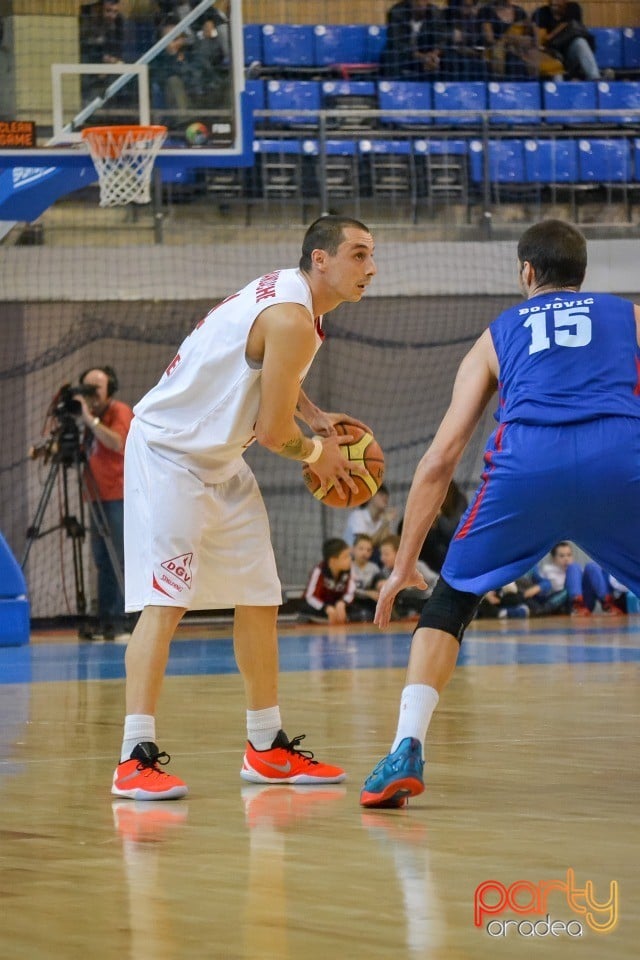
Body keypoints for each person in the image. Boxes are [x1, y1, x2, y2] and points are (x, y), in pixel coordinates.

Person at [361, 218, 640, 808]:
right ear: (583, 276)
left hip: (525, 467)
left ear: (527, 273)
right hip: (618, 458)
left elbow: (440, 458)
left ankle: (405, 748)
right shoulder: (629, 315)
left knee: (451, 600)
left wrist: (403, 564)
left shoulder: (496, 335)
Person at [112, 215, 377, 801]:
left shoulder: (290, 299)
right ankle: (133, 757)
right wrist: (318, 454)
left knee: (260, 596)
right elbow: (271, 428)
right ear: (321, 260)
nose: (371, 268)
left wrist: (312, 413)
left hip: (221, 459)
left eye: (371, 256)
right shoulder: (292, 319)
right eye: (358, 255)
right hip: (169, 454)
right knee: (166, 602)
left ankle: (266, 747)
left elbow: (268, 369)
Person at [75, 366, 134, 642]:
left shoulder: (118, 411)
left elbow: (118, 442)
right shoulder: (89, 420)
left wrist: (89, 420)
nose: (91, 396)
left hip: (117, 496)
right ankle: (106, 620)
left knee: (117, 559)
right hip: (96, 498)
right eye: (86, 389)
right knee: (102, 561)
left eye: (95, 389)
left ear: (109, 389)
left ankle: (121, 620)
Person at [532, 1, 600, 81]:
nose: (554, 2)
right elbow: (541, 41)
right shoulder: (541, 12)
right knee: (554, 65)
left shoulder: (573, 8)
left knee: (580, 42)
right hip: (553, 55)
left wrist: (551, 37)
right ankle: (559, 90)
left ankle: (595, 79)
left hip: (570, 54)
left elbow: (567, 25)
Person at [380, 0, 447, 79]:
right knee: (390, 55)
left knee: (448, 58)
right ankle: (394, 88)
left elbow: (442, 40)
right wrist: (421, 57)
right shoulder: (396, 12)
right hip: (404, 56)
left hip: (426, 55)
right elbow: (397, 43)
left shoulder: (435, 13)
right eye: (418, 3)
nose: (422, 5)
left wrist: (434, 55)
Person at [375, 535, 437, 618]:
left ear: (399, 553)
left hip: (425, 602)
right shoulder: (385, 571)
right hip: (405, 606)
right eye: (381, 554)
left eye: (386, 554)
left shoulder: (417, 566)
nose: (382, 558)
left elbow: (436, 580)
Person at [300, 538, 356, 625]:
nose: (350, 559)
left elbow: (350, 592)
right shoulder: (319, 570)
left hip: (338, 605)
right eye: (345, 557)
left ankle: (337, 617)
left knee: (362, 612)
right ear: (333, 561)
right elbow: (310, 596)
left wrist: (342, 603)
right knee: (305, 608)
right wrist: (326, 608)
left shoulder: (349, 570)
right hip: (322, 607)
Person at [478, 0, 537, 79]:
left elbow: (530, 36)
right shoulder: (486, 11)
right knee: (515, 61)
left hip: (521, 51)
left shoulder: (520, 11)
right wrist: (509, 40)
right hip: (498, 53)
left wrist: (526, 41)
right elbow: (489, 39)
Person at [343, 485, 397, 556]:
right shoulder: (358, 515)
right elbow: (364, 545)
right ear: (370, 497)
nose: (385, 497)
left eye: (386, 495)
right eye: (381, 494)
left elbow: (385, 542)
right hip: (353, 559)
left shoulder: (382, 519)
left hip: (370, 558)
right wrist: (385, 522)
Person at [350, 533, 381, 622]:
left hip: (370, 604)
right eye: (361, 549)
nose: (365, 552)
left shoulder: (374, 568)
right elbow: (347, 590)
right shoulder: (348, 567)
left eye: (369, 550)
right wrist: (367, 593)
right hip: (353, 603)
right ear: (353, 549)